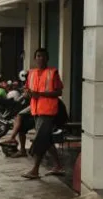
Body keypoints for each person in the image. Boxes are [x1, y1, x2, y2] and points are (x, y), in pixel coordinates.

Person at [21, 48, 65, 179]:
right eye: (38, 56)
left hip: (48, 111)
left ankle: (35, 170)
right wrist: (27, 93)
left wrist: (40, 94)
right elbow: (27, 89)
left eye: (43, 56)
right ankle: (58, 165)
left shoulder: (53, 73)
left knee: (40, 139)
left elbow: (58, 92)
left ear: (47, 58)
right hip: (36, 111)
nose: (40, 58)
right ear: (35, 58)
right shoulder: (32, 73)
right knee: (47, 140)